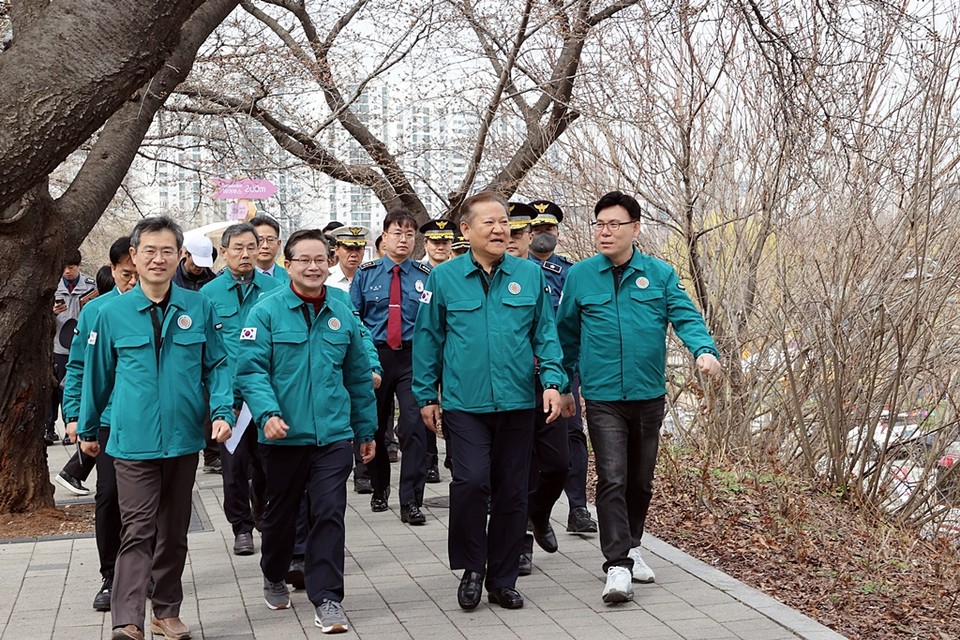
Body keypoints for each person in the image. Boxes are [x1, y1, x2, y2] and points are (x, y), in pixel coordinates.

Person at [556, 191, 722, 604]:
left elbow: (686, 316)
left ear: (635, 228)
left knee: (640, 482)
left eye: (614, 224)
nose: (605, 231)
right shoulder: (580, 277)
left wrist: (704, 351)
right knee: (612, 476)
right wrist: (562, 386)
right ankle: (616, 566)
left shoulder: (660, 274)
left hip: (649, 394)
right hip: (603, 395)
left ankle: (631, 545)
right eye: (599, 224)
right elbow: (565, 336)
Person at [78, 216, 234, 640]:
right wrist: (87, 431)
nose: (158, 258)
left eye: (167, 250)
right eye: (149, 250)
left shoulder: (198, 306)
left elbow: (217, 364)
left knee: (174, 532)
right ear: (134, 256)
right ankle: (127, 618)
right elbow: (96, 377)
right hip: (131, 441)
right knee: (138, 528)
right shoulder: (111, 313)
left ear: (179, 255)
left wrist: (222, 411)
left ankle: (166, 611)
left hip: (184, 439)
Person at [413, 191, 566, 611]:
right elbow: (428, 338)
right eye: (490, 223)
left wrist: (553, 381)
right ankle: (472, 567)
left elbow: (545, 335)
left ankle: (503, 578)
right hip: (465, 404)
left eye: (505, 223)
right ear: (466, 230)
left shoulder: (529, 276)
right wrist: (427, 394)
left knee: (513, 491)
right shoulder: (443, 279)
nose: (501, 230)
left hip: (518, 402)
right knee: (471, 482)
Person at [236, 229, 377, 634]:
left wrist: (365, 429)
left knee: (329, 511)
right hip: (283, 437)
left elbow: (356, 375)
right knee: (279, 515)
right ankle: (274, 572)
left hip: (333, 435)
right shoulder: (266, 311)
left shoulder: (342, 307)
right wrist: (267, 413)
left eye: (320, 259)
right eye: (305, 260)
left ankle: (328, 598)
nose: (314, 267)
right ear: (288, 264)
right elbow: (250, 370)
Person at [60, 237, 138, 612]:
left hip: (150, 421)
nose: (134, 280)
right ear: (113, 270)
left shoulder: (166, 306)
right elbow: (78, 366)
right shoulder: (96, 312)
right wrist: (74, 416)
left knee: (150, 503)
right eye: (126, 272)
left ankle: (147, 571)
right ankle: (111, 575)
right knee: (108, 496)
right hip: (107, 419)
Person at [200, 223, 282, 556]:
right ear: (223, 252)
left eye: (253, 246)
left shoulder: (276, 289)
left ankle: (264, 514)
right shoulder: (208, 295)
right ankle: (241, 527)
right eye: (238, 248)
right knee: (233, 465)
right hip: (228, 395)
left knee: (267, 461)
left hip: (265, 391)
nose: (246, 253)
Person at [502, 202, 572, 576]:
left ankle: (539, 513)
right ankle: (520, 546)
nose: (511, 240)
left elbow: (557, 335)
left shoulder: (543, 276)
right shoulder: (491, 275)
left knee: (559, 462)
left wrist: (563, 383)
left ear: (530, 236)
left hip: (547, 380)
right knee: (518, 469)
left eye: (518, 233)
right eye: (506, 232)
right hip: (508, 387)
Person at [350, 209, 433, 525]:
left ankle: (411, 500)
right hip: (377, 357)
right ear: (384, 237)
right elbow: (355, 320)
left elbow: (432, 323)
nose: (404, 239)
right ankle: (379, 486)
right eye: (397, 233)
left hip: (413, 358)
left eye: (410, 234)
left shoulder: (425, 275)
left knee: (414, 427)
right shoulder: (366, 273)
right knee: (376, 425)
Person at [528, 199, 598, 535]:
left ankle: (578, 508)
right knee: (525, 442)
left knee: (572, 436)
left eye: (549, 228)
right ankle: (527, 519)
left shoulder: (571, 273)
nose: (543, 234)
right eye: (537, 228)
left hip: (563, 366)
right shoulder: (514, 270)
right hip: (523, 367)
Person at [417, 218, 456, 484]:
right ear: (426, 243)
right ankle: (429, 460)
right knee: (427, 408)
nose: (440, 247)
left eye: (445, 242)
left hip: (456, 356)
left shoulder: (459, 271)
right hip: (429, 352)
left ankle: (454, 455)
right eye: (435, 242)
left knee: (454, 411)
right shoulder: (415, 272)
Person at [47, 249, 97, 445]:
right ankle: (49, 428)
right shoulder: (52, 285)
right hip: (59, 344)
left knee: (74, 387)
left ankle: (72, 426)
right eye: (64, 267)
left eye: (72, 267)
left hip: (82, 344)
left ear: (79, 266)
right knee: (56, 388)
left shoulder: (91, 285)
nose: (67, 271)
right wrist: (51, 311)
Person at [326, 226, 368, 292]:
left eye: (358, 249)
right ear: (337, 250)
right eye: (348, 249)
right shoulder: (326, 279)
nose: (353, 255)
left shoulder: (371, 278)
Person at [250, 214, 289, 281]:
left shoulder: (290, 278)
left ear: (278, 244)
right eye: (260, 240)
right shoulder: (239, 279)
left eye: (270, 240)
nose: (265, 246)